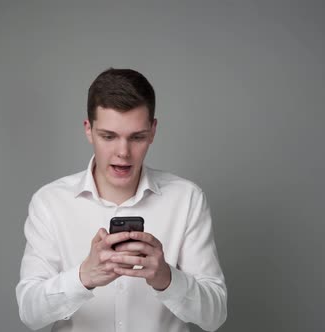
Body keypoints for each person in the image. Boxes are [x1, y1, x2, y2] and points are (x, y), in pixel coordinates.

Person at [15, 68, 227, 332]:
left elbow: (215, 316)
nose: (123, 153)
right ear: (88, 130)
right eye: (108, 136)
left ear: (152, 131)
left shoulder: (187, 199)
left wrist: (167, 279)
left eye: (136, 137)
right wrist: (83, 277)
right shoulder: (49, 202)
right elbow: (30, 313)